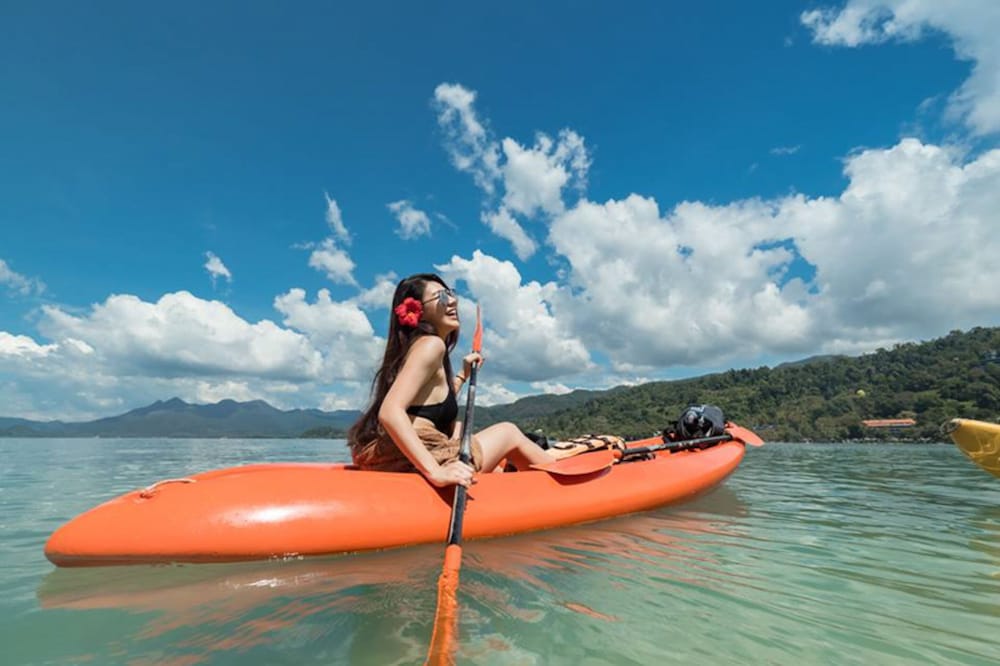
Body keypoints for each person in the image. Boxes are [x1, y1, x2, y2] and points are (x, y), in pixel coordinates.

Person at [348, 273, 557, 487]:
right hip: (421, 451)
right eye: (440, 297)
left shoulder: (417, 348)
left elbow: (432, 405)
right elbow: (390, 411)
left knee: (460, 430)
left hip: (396, 452)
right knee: (508, 432)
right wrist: (435, 472)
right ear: (418, 311)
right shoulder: (431, 345)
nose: (452, 301)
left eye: (450, 294)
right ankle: (562, 481)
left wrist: (462, 376)